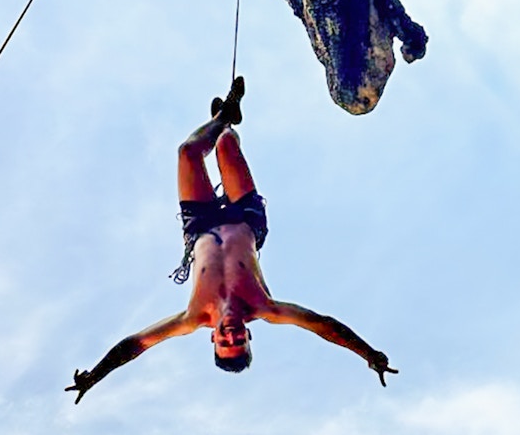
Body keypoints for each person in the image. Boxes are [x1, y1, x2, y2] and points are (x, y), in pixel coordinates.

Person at [66, 77, 396, 404]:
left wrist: (95, 375)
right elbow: (323, 325)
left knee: (188, 152)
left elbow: (136, 344)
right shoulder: (266, 307)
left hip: (201, 226)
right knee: (225, 146)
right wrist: (368, 353)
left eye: (225, 341)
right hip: (244, 218)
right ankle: (227, 123)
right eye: (240, 339)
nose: (232, 334)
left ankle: (222, 116)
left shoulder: (192, 317)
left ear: (214, 338)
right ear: (248, 335)